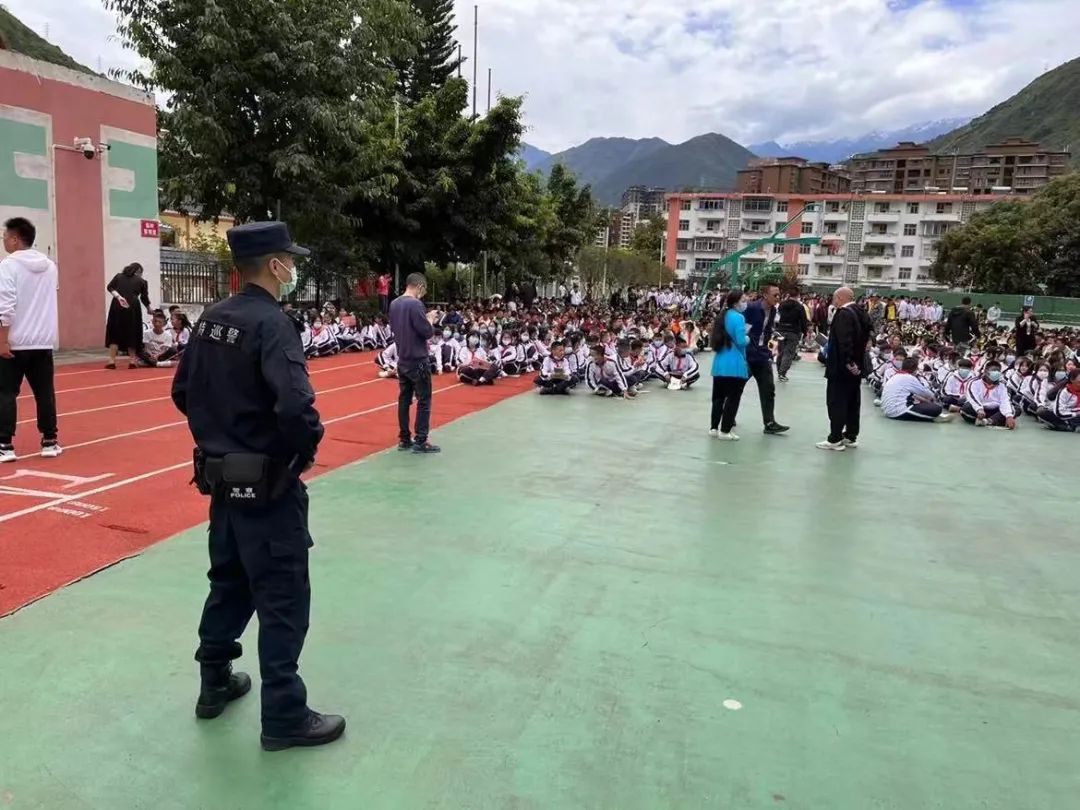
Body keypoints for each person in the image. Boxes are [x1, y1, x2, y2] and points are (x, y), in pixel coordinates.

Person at [171, 221, 345, 752]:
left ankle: (214, 682)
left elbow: (182, 391)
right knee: (282, 596)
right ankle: (285, 716)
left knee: (228, 583)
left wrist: (223, 434)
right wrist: (302, 449)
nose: (293, 269)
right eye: (289, 261)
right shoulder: (273, 324)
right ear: (274, 266)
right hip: (269, 488)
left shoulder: (210, 322)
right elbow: (295, 405)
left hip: (222, 484)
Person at [0, 217, 61, 463]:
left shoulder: (8, 266)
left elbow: (6, 305)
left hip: (15, 342)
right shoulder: (50, 266)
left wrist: (2, 340)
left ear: (15, 239)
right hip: (43, 341)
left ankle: (4, 444)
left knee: (5, 393)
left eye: (5, 236)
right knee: (45, 393)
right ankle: (49, 440)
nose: (3, 240)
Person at [389, 273, 441, 453]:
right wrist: (430, 319)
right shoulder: (415, 304)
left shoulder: (394, 304)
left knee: (404, 399)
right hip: (418, 359)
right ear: (419, 286)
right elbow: (427, 332)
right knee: (424, 400)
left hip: (402, 358)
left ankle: (404, 438)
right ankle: (421, 440)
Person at [818, 286, 871, 452]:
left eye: (835, 299)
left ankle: (835, 438)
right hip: (857, 367)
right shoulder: (861, 311)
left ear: (840, 298)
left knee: (836, 401)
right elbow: (868, 334)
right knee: (852, 402)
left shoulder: (843, 314)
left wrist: (849, 362)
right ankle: (850, 435)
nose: (834, 302)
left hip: (841, 367)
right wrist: (857, 363)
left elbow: (844, 341)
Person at [743, 284, 789, 434]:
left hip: (762, 355)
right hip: (748, 355)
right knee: (736, 387)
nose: (778, 297)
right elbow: (743, 331)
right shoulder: (751, 308)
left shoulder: (774, 310)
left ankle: (769, 422)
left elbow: (767, 331)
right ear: (765, 295)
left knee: (768, 389)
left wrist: (768, 351)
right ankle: (727, 415)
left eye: (779, 295)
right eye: (775, 295)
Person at [709, 290, 750, 441]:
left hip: (719, 362)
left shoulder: (722, 316)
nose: (745, 303)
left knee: (718, 398)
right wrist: (748, 338)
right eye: (743, 300)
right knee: (733, 398)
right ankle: (725, 430)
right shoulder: (738, 317)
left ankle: (714, 428)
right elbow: (740, 341)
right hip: (735, 364)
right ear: (735, 302)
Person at [105, 262, 152, 369]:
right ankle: (132, 360)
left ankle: (111, 361)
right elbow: (144, 298)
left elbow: (110, 287)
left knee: (114, 332)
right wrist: (149, 309)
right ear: (138, 271)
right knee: (132, 332)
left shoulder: (118, 277)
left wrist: (118, 297)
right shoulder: (142, 281)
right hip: (133, 307)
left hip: (117, 305)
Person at [880, 357, 951, 422]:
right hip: (898, 411)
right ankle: (932, 417)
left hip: (887, 411)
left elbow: (914, 395)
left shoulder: (895, 376)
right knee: (937, 409)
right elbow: (927, 393)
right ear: (914, 369)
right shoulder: (909, 378)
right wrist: (933, 400)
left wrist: (925, 401)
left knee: (923, 403)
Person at [960, 360, 1016, 429]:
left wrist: (1008, 416)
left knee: (1015, 409)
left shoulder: (1002, 385)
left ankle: (987, 421)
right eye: (993, 370)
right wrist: (979, 409)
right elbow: (972, 397)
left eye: (998, 370)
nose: (996, 372)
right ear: (986, 371)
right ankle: (997, 420)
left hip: (995, 410)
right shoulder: (974, 382)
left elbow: (1005, 401)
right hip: (980, 410)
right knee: (966, 408)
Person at [776, 291, 809, 382]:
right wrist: (805, 333)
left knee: (781, 351)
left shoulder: (782, 305)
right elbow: (803, 321)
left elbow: (777, 316)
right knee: (789, 352)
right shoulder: (799, 307)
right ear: (798, 295)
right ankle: (782, 373)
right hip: (793, 332)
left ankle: (779, 370)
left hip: (781, 330)